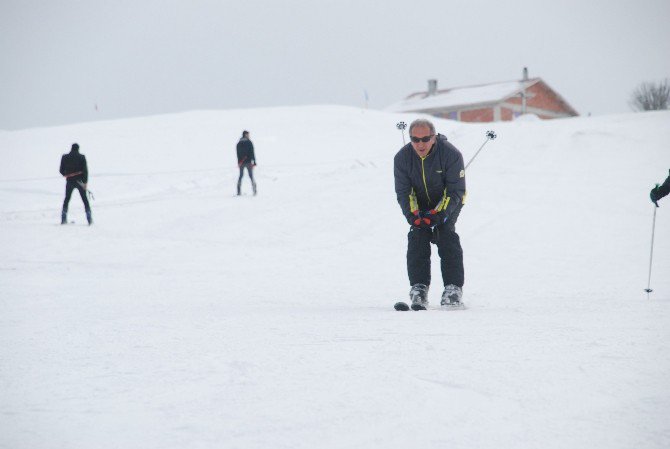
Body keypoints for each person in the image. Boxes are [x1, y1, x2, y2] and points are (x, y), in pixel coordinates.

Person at [393, 119, 466, 310]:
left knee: (445, 233)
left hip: (449, 200)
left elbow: (455, 191)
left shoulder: (451, 154)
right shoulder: (402, 158)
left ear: (434, 137)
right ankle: (419, 288)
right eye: (415, 140)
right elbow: (404, 192)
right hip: (420, 201)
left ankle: (453, 289)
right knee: (418, 234)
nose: (420, 144)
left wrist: (438, 214)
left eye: (425, 139)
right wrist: (414, 215)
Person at [59, 143, 92, 225]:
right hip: (79, 181)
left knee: (67, 199)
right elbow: (85, 171)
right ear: (78, 149)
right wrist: (85, 183)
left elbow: (61, 170)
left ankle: (63, 218)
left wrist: (65, 174)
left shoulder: (65, 157)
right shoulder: (82, 157)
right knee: (85, 200)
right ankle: (89, 219)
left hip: (69, 181)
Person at [236, 130, 257, 196]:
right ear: (245, 135)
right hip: (248, 162)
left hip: (241, 163)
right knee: (251, 176)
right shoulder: (249, 142)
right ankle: (254, 191)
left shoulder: (239, 143)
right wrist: (254, 161)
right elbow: (252, 152)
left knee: (240, 176)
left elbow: (237, 153)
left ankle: (238, 191)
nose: (249, 136)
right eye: (248, 134)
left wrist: (239, 162)